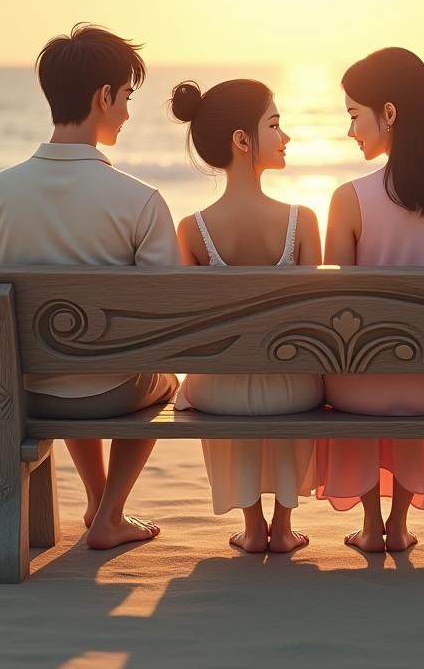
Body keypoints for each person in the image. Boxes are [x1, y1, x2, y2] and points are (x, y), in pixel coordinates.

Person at [0, 24, 180, 550]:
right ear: (103, 97)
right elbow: (168, 320)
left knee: (66, 356)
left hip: (23, 393)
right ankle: (111, 511)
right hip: (114, 395)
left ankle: (98, 502)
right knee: (162, 376)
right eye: (126, 97)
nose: (126, 111)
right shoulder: (140, 201)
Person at [317, 48, 424, 552]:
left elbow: (332, 312)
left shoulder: (349, 198)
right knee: (418, 360)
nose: (350, 131)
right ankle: (400, 523)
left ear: (389, 113)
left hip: (355, 393)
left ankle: (371, 527)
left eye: (353, 115)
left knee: (353, 357)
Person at [170, 79, 324, 554]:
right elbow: (316, 321)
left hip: (219, 391)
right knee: (293, 376)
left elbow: (190, 327)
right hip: (293, 390)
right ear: (242, 139)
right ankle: (283, 526)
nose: (286, 137)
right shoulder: (303, 221)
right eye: (275, 125)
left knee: (211, 382)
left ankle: (252, 526)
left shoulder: (192, 230)